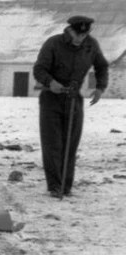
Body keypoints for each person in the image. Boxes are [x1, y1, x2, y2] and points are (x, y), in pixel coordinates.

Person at [33, 15, 108, 198]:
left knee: (70, 144)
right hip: (52, 99)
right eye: (78, 35)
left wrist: (100, 88)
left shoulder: (91, 45)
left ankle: (66, 187)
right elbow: (39, 69)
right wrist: (50, 82)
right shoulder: (53, 43)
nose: (81, 39)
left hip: (74, 99)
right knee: (53, 144)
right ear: (70, 31)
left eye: (85, 35)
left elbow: (102, 66)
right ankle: (55, 187)